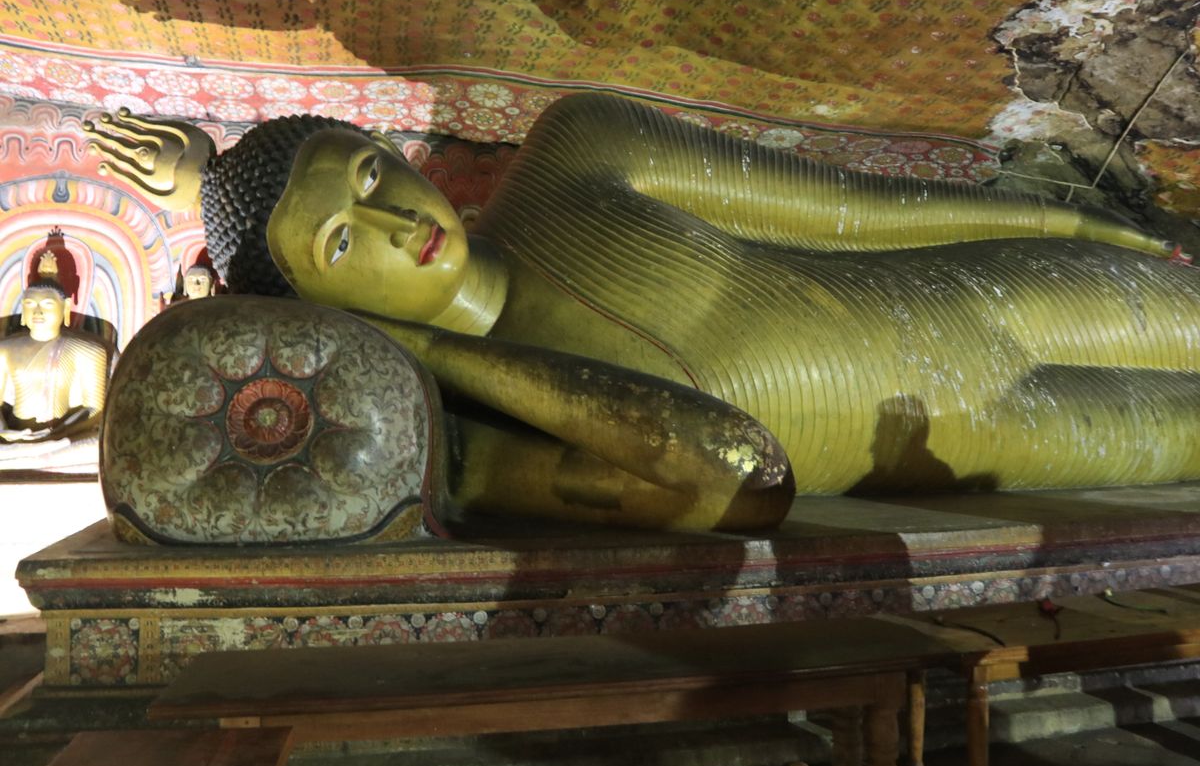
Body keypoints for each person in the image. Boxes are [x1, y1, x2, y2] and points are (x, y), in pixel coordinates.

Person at [84, 93, 1200, 529]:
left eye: (373, 174)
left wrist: (1063, 225)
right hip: (988, 430)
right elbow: (735, 476)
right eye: (341, 244)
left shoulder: (576, 149)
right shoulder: (485, 432)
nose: (393, 222)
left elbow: (857, 209)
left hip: (988, 289)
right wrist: (407, 345)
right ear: (325, 308)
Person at [0, 253, 111, 472]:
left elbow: (96, 411)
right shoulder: (5, 349)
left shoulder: (89, 350)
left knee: (99, 446)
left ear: (65, 307)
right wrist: (4, 430)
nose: (37, 311)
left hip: (65, 439)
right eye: (30, 304)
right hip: (15, 441)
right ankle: (32, 456)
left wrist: (55, 435)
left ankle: (34, 456)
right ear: (22, 310)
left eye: (47, 304)